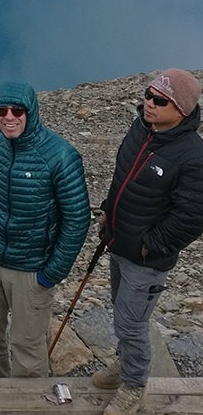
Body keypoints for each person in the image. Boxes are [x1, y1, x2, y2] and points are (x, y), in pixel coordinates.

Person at [93, 69, 203, 415]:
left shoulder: (192, 156)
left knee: (131, 321)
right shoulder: (141, 129)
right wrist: (108, 214)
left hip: (145, 258)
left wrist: (150, 246)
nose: (148, 104)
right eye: (148, 94)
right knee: (120, 311)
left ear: (182, 110)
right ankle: (125, 364)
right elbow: (122, 178)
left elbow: (193, 215)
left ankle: (134, 386)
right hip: (119, 242)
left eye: (159, 100)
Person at [0, 81, 90, 378]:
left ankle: (28, 404)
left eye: (17, 110)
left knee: (27, 348)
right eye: (1, 110)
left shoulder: (60, 156)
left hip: (30, 269)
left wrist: (51, 273)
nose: (9, 116)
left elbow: (77, 220)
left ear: (31, 112)